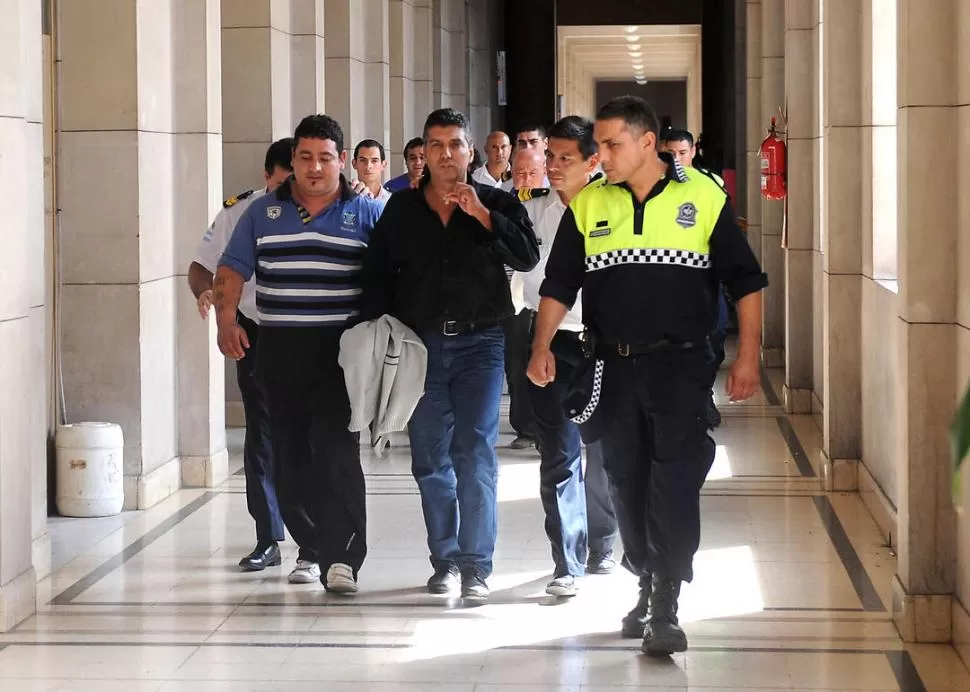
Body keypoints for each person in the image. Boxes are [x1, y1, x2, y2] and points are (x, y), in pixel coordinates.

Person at [527, 96, 766, 655]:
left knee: (675, 479)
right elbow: (560, 283)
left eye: (611, 145)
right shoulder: (589, 206)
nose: (600, 155)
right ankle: (645, 577)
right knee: (625, 480)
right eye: (599, 145)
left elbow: (746, 281)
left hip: (682, 365)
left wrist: (748, 355)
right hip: (611, 364)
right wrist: (541, 345)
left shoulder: (703, 197)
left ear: (647, 143)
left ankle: (666, 603)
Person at [359, 108, 539, 602]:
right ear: (423, 153)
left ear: (470, 152)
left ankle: (477, 565)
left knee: (474, 452)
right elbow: (375, 274)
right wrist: (376, 337)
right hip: (419, 350)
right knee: (429, 458)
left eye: (455, 144)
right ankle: (445, 559)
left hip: (482, 343)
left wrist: (482, 216)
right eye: (435, 145)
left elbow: (527, 255)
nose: (445, 154)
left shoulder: (497, 202)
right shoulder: (401, 209)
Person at [215, 114, 383, 595]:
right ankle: (312, 542)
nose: (314, 167)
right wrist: (227, 319)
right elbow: (230, 270)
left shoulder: (366, 213)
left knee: (334, 453)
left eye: (324, 158)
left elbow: (393, 272)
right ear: (293, 161)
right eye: (305, 157)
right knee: (287, 462)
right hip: (280, 350)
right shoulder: (261, 212)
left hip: (341, 355)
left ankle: (343, 557)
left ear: (342, 161)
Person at [189, 138, 313, 577]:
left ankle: (314, 542)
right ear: (268, 177)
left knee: (309, 433)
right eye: (283, 182)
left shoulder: (327, 204)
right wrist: (213, 298)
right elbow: (202, 267)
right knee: (262, 431)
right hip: (257, 331)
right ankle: (268, 535)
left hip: (315, 331)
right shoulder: (241, 211)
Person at [510, 115, 618, 597]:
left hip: (603, 344)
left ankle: (604, 539)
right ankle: (567, 562)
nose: (551, 166)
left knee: (604, 452)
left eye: (564, 158)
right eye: (548, 156)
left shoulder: (615, 206)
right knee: (558, 455)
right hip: (548, 343)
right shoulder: (534, 210)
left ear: (592, 161)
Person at [663, 129, 729, 428]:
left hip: (704, 275)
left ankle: (703, 394)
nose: (676, 159)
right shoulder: (651, 186)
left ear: (692, 153)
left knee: (714, 336)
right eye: (671, 153)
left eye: (682, 153)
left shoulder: (711, 184)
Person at [351, 138, 392, 205]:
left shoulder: (393, 201)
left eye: (374, 161)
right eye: (363, 160)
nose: (368, 166)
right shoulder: (346, 200)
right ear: (354, 163)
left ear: (383, 165)